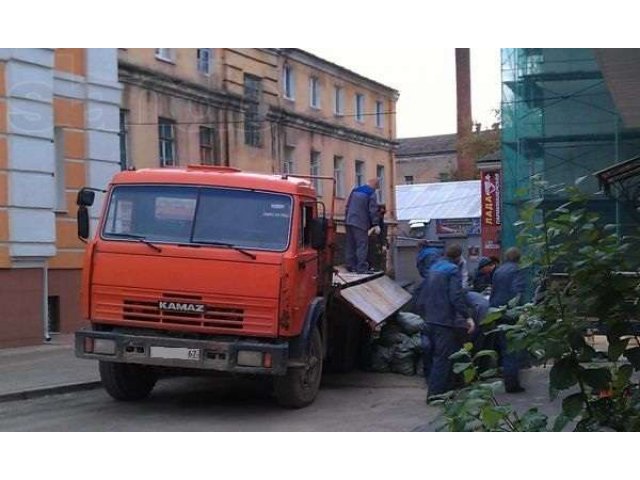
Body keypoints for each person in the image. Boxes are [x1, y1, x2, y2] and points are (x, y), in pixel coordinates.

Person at [416, 244, 475, 400]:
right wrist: (467, 316)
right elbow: (455, 296)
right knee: (442, 358)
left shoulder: (434, 268)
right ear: (458, 258)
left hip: (430, 318)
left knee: (437, 354)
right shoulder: (452, 270)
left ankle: (444, 388)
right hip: (443, 320)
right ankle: (435, 395)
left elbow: (423, 292)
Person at [490, 247, 527, 393]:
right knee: (511, 349)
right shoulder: (517, 270)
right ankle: (512, 384)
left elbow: (494, 291)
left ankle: (506, 377)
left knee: (503, 347)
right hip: (510, 313)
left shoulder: (498, 270)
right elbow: (517, 292)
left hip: (497, 311)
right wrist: (522, 310)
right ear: (518, 258)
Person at [345, 178, 380, 274]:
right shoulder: (371, 193)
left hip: (349, 221)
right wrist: (375, 224)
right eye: (377, 187)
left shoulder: (355, 191)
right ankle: (361, 268)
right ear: (375, 185)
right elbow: (372, 210)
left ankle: (350, 265)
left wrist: (346, 218)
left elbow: (347, 206)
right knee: (362, 245)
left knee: (350, 244)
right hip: (360, 223)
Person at [367, 204, 388, 272]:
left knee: (376, 253)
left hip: (376, 239)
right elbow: (381, 232)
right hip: (373, 239)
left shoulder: (378, 219)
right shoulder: (376, 219)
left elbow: (382, 232)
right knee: (373, 253)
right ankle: (373, 266)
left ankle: (374, 266)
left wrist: (384, 243)